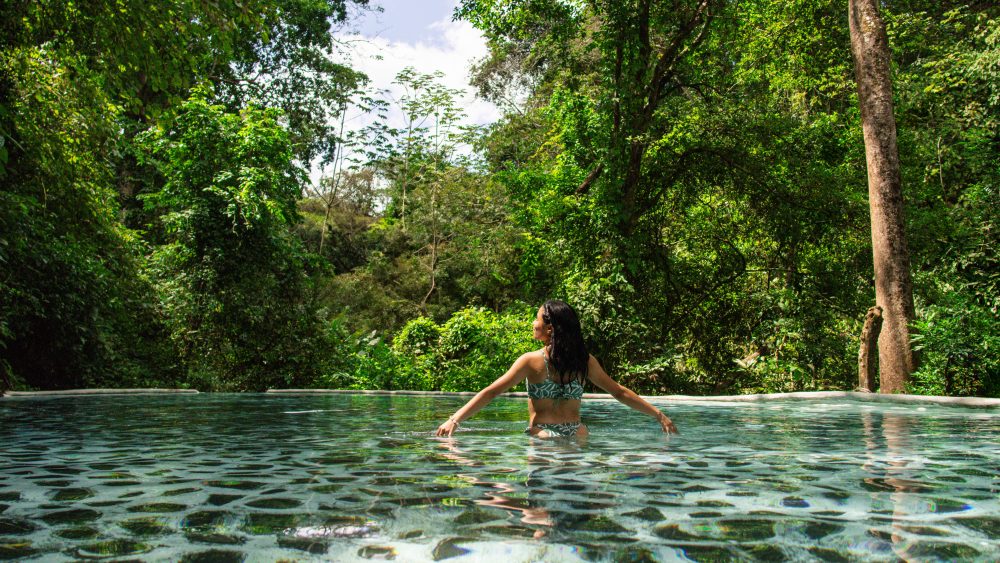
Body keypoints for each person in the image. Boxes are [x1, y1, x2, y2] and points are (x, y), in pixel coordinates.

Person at [436, 300, 678, 438]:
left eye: (537, 318)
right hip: (578, 434)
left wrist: (454, 420)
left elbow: (491, 393)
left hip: (542, 437)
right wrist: (659, 415)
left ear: (550, 328)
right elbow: (619, 392)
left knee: (535, 515)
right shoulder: (584, 360)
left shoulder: (530, 361)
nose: (533, 323)